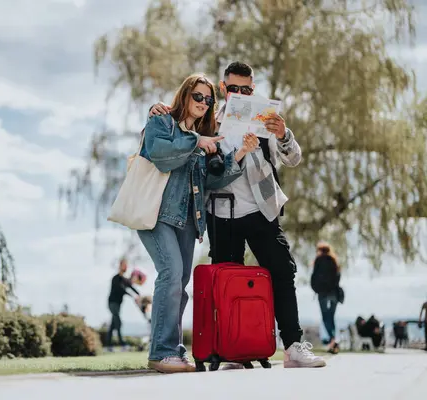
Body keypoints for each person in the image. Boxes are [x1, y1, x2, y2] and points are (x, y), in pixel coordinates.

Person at [149, 61, 326, 368]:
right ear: (223, 88)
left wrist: (284, 133)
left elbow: (293, 157)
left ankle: (293, 347)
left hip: (262, 209)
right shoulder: (208, 121)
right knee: (225, 282)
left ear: (253, 90)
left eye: (246, 90)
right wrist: (159, 108)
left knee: (282, 272)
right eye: (234, 90)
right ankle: (231, 350)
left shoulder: (266, 119)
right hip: (221, 212)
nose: (240, 95)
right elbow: (182, 126)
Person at [138, 72, 258, 374]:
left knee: (179, 283)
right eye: (198, 96)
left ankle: (173, 352)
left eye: (208, 99)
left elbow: (211, 181)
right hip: (157, 214)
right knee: (171, 274)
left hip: (189, 220)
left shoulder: (205, 139)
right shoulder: (161, 122)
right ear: (185, 94)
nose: (203, 103)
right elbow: (160, 155)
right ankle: (161, 352)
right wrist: (195, 141)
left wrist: (241, 153)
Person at [310, 242, 342, 354]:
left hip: (322, 293)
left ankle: (332, 339)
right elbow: (338, 276)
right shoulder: (334, 261)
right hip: (334, 293)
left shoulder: (318, 260)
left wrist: (316, 289)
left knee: (325, 317)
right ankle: (334, 340)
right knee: (331, 317)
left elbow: (314, 276)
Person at [106, 258, 140, 349]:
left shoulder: (125, 279)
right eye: (124, 265)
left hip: (118, 304)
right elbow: (121, 290)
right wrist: (132, 296)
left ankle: (108, 345)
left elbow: (131, 287)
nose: (126, 267)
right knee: (118, 322)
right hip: (112, 303)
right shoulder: (115, 278)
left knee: (113, 324)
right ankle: (122, 343)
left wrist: (139, 295)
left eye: (126, 265)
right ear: (120, 266)